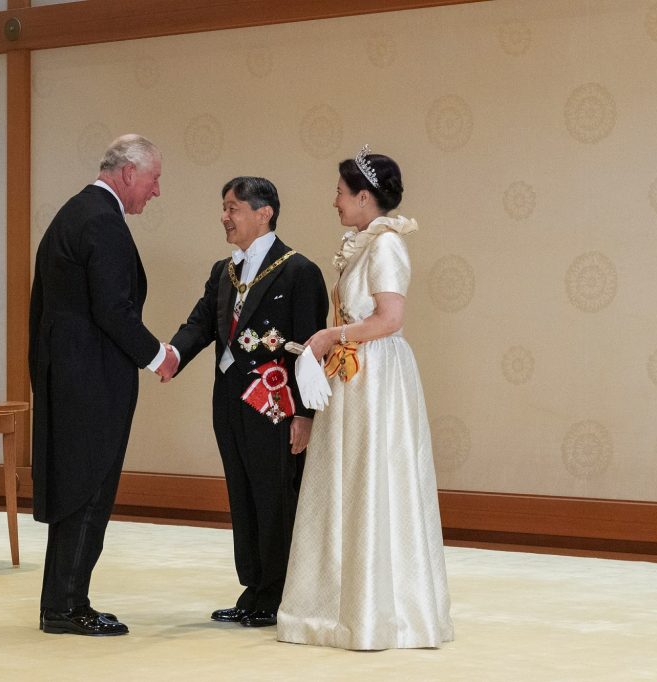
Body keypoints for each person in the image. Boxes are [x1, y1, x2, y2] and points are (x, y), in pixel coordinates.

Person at [276, 146, 454, 650]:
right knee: (347, 479)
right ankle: (335, 606)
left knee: (374, 478)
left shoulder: (387, 245)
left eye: (339, 192)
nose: (334, 201)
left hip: (377, 377)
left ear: (363, 196)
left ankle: (383, 612)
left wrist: (331, 335)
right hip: (356, 374)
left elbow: (390, 318)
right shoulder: (364, 243)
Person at [28, 134, 177, 637]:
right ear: (129, 173)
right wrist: (159, 356)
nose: (156, 192)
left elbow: (42, 309)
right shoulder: (102, 221)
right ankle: (68, 607)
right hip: (91, 381)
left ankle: (62, 602)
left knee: (75, 487)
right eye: (154, 179)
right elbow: (112, 309)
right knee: (88, 491)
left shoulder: (73, 213)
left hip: (66, 376)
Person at [170, 176, 328, 628]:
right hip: (228, 401)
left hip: (275, 404)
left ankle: (278, 593)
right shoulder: (225, 270)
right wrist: (172, 355)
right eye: (224, 207)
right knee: (242, 495)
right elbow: (202, 323)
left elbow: (306, 349)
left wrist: (304, 414)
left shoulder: (299, 271)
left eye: (233, 207)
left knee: (275, 494)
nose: (225, 216)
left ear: (265, 213)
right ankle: (252, 587)